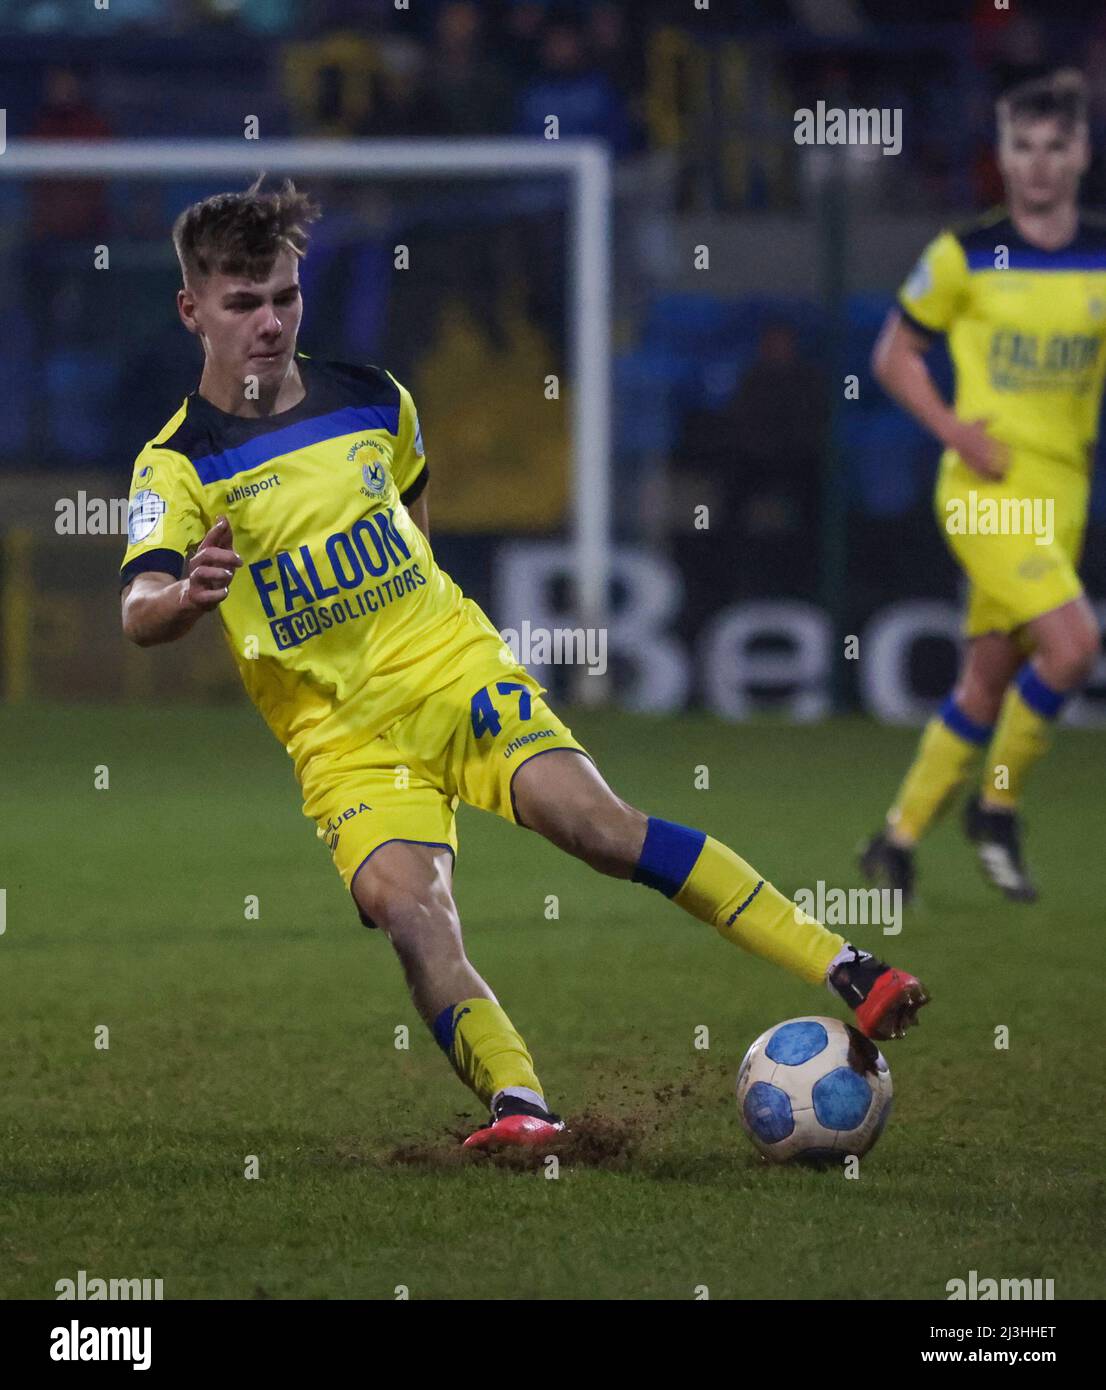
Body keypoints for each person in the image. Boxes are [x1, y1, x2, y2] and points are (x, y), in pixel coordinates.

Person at [120, 177, 928, 1150]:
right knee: (409, 914)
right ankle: (520, 1106)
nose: (269, 322)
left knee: (593, 826)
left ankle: (848, 968)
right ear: (191, 308)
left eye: (285, 296)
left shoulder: (374, 399)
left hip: (450, 672)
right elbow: (138, 609)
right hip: (336, 735)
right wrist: (185, 598)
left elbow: (412, 503)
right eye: (242, 302)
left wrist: (417, 606)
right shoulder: (177, 463)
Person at [861, 70, 1104, 904]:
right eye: (1021, 147)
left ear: (1081, 154)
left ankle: (894, 840)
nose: (1037, 165)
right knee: (1075, 648)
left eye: (1054, 147)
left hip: (1063, 490)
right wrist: (957, 430)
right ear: (1001, 156)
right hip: (982, 488)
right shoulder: (962, 253)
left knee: (986, 681)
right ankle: (997, 809)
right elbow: (893, 355)